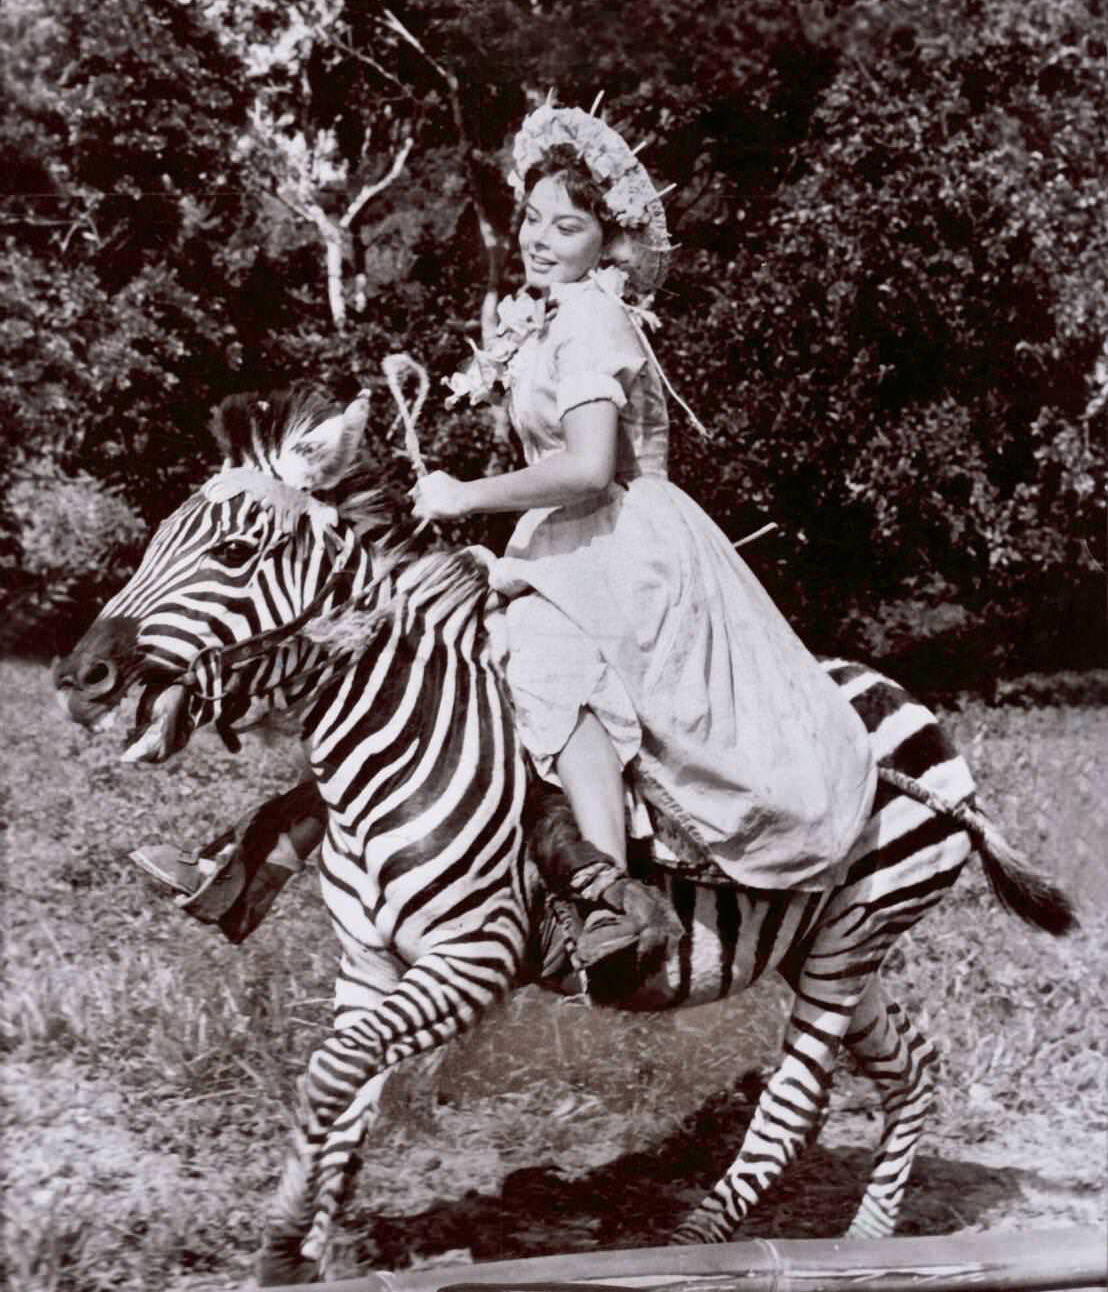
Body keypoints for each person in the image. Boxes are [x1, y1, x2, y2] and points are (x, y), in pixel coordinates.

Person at [134, 100, 876, 966]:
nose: (541, 237)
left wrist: (465, 497)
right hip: (563, 540)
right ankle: (251, 867)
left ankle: (614, 902)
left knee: (547, 678)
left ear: (610, 242)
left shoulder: (595, 320)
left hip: (621, 543)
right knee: (429, 684)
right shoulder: (548, 321)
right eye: (533, 217)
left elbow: (594, 466)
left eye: (569, 224)